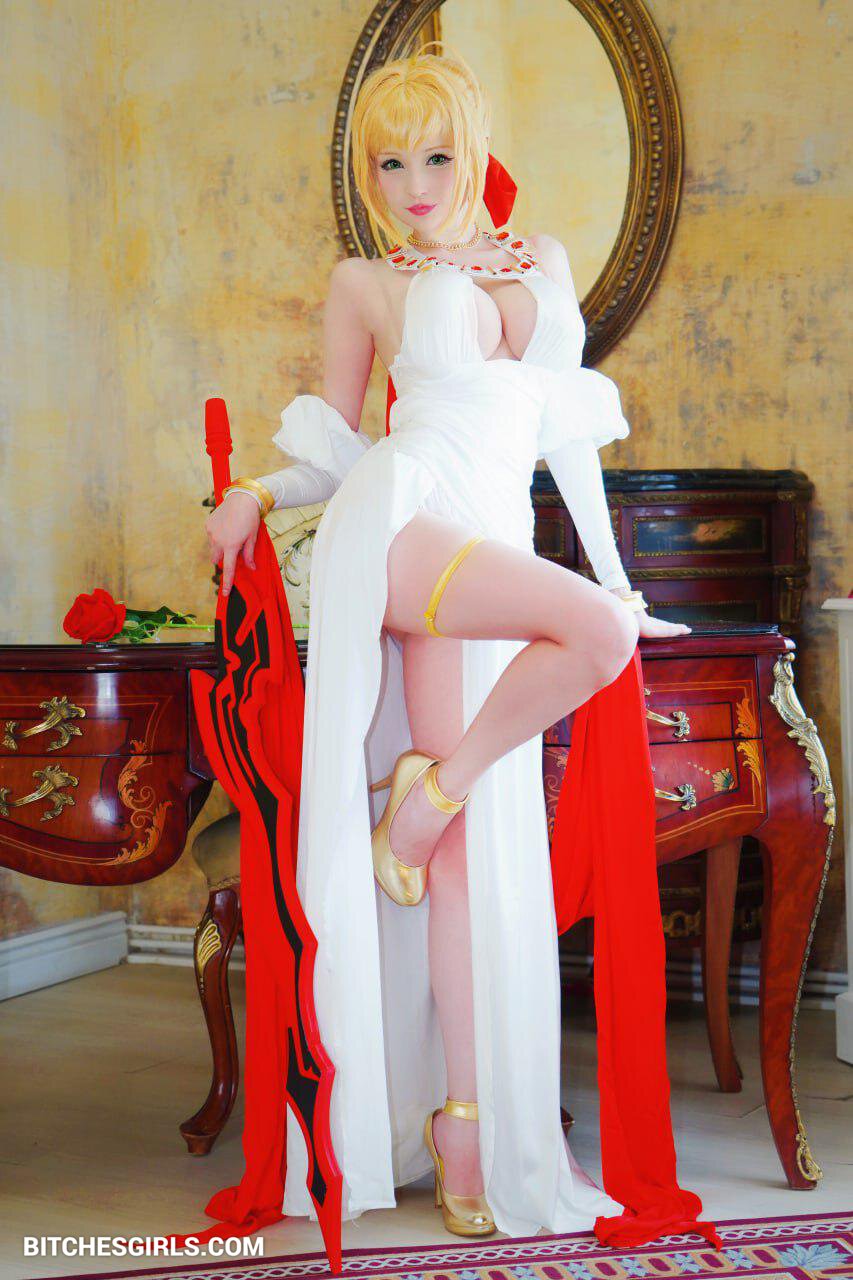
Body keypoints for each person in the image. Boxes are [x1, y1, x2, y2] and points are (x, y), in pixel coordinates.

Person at [204, 43, 718, 1250]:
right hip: (399, 520)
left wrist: (616, 576)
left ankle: (464, 1124)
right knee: (580, 644)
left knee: (467, 856)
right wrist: (254, 494)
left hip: (491, 545)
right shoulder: (365, 281)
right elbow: (338, 449)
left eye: (434, 157)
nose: (414, 185)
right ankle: (423, 799)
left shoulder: (539, 260)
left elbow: (564, 435)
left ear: (473, 150)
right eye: (390, 164)